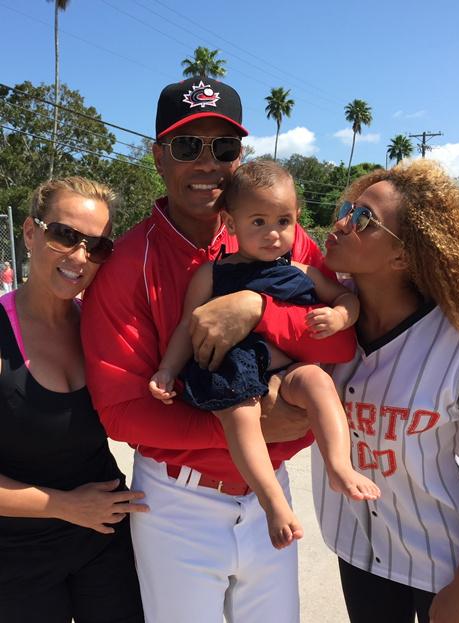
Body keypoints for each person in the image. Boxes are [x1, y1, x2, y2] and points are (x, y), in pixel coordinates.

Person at [82, 77, 354, 622]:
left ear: (240, 157)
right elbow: (120, 412)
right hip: (179, 503)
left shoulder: (282, 235)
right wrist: (246, 426)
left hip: (267, 495)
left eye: (223, 147)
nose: (208, 164)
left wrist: (256, 307)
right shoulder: (128, 262)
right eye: (188, 146)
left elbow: (343, 340)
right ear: (158, 156)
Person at [305, 159, 459, 623]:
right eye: (347, 208)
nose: (341, 222)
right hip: (359, 550)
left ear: (403, 256)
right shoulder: (317, 318)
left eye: (363, 219)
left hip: (444, 563)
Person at [149, 159, 379, 549]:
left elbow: (345, 298)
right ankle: (273, 502)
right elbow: (188, 327)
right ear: (232, 223)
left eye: (283, 221)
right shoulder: (211, 274)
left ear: (297, 219)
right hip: (231, 371)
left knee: (318, 381)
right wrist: (167, 370)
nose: (273, 234)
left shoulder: (302, 272)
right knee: (242, 415)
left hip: (283, 372)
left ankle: (339, 465)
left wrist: (341, 315)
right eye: (258, 222)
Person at [0, 177, 147, 623]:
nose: (80, 256)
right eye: (65, 235)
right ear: (30, 232)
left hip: (105, 537)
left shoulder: (99, 327)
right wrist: (65, 506)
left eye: (98, 246)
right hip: (18, 555)